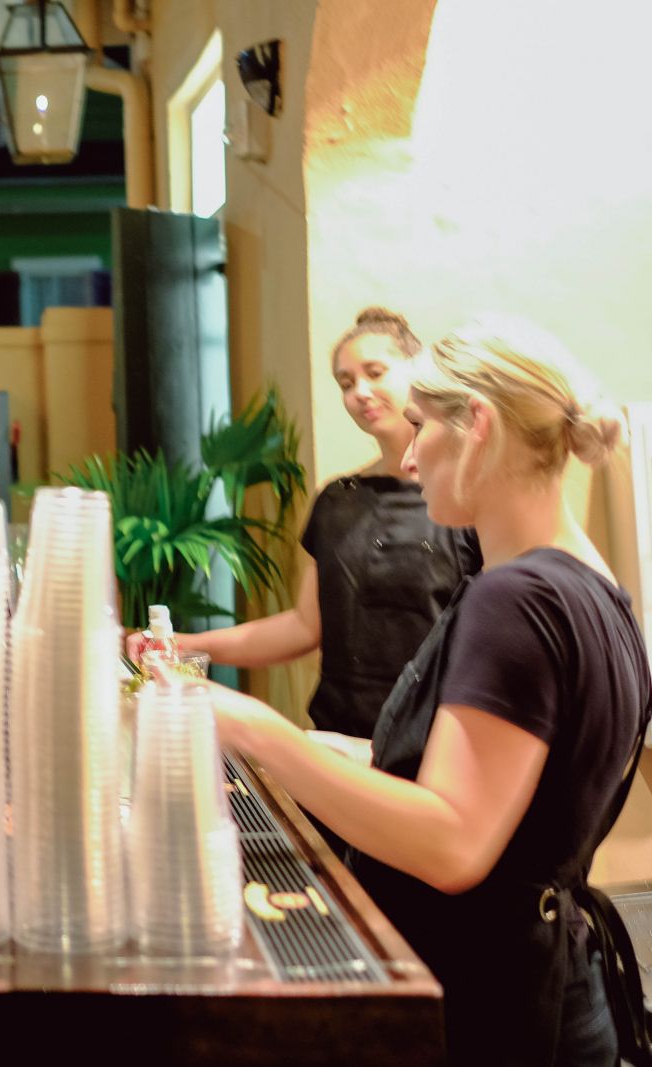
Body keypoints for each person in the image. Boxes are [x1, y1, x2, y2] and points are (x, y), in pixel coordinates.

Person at [204, 316, 650, 1066]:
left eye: (420, 426)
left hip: (495, 1001)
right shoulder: (595, 586)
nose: (409, 458)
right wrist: (332, 749)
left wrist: (256, 731)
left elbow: (453, 843)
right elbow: (506, 790)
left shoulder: (516, 600)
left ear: (477, 425)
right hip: (553, 980)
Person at [128, 307, 480, 741]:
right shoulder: (336, 501)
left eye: (375, 373)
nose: (360, 392)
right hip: (335, 737)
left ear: (417, 371)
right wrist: (182, 643)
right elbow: (303, 626)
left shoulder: (463, 502)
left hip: (431, 747)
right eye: (346, 383)